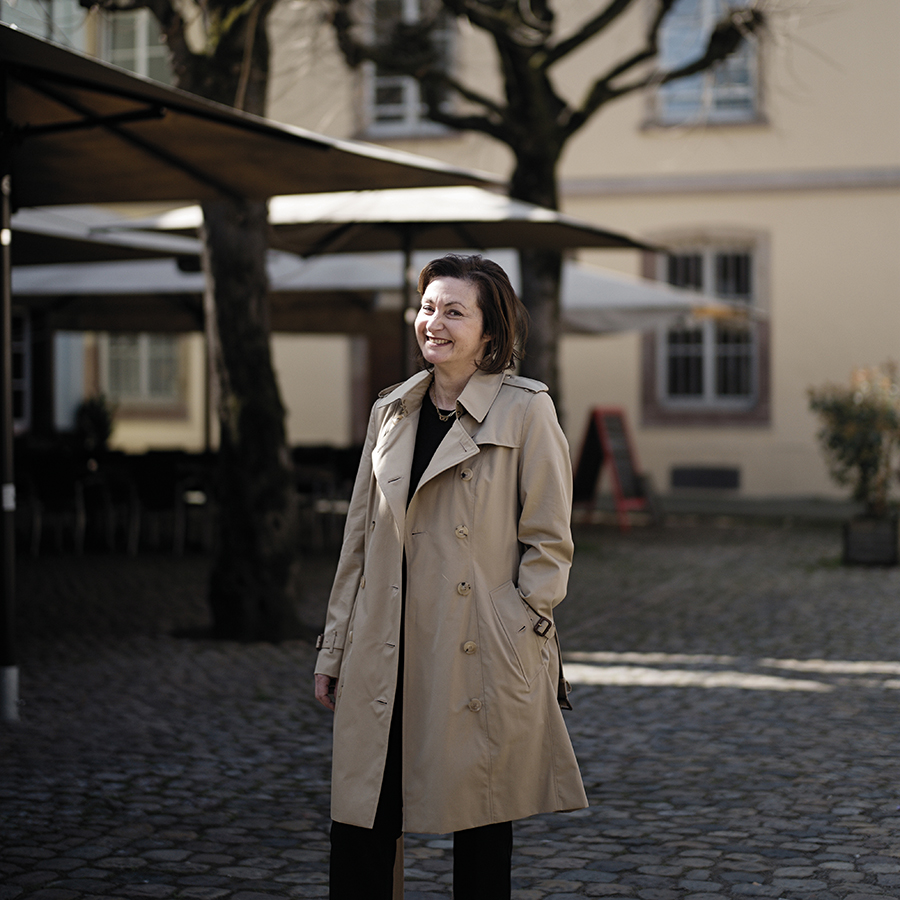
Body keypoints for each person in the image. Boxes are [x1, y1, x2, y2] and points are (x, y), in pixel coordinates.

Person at [314, 253, 587, 899]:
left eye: (454, 312)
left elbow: (550, 539)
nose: (433, 322)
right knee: (362, 822)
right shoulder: (392, 411)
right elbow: (359, 541)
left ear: (490, 332)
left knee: (482, 824)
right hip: (385, 646)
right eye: (428, 307)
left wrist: (521, 622)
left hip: (475, 647)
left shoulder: (526, 410)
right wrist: (334, 647)